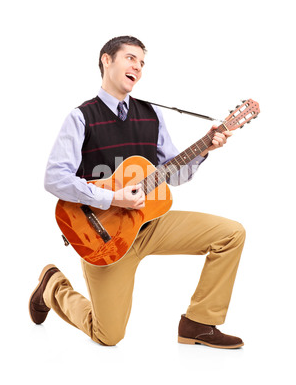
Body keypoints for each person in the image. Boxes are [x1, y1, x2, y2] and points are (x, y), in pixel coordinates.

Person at [29, 36, 246, 349]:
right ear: (106, 60)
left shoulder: (151, 115)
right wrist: (113, 198)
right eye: (131, 58)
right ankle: (54, 286)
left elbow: (178, 173)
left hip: (150, 225)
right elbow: (54, 178)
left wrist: (204, 147)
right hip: (104, 236)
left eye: (142, 63)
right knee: (108, 335)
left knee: (231, 234)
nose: (138, 67)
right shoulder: (81, 118)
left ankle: (198, 322)